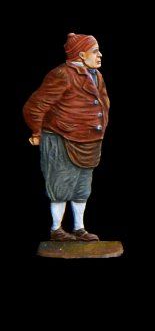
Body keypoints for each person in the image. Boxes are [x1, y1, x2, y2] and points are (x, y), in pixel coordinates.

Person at [24, 33, 110, 242]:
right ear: (81, 55)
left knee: (82, 187)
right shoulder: (62, 74)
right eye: (95, 51)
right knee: (60, 185)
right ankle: (56, 229)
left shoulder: (96, 75)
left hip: (88, 142)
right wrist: (36, 132)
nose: (100, 55)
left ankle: (79, 228)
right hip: (61, 138)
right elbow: (35, 106)